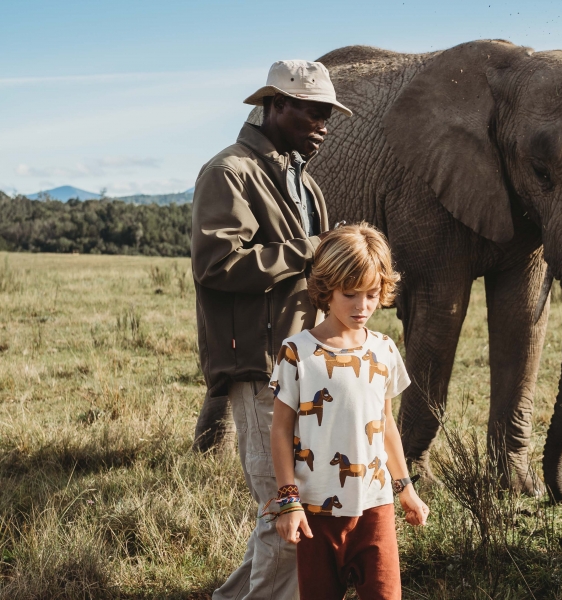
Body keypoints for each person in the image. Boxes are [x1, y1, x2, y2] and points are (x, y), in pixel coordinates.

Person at [190, 60, 352, 600]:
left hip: (303, 361)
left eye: (329, 112)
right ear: (277, 105)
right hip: (259, 364)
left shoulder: (303, 179)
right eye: (315, 111)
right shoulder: (230, 172)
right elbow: (217, 264)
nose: (326, 123)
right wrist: (312, 249)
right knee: (288, 513)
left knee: (286, 509)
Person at [266, 223, 429, 600]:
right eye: (350, 294)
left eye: (372, 294)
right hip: (314, 513)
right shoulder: (297, 352)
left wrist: (405, 488)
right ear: (326, 288)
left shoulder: (384, 350)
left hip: (375, 509)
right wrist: (289, 501)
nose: (362, 307)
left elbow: (385, 422)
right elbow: (279, 430)